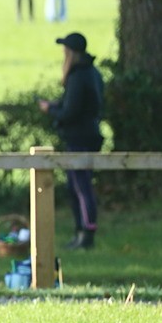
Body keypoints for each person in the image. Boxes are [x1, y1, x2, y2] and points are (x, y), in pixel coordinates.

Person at [39, 32, 104, 250]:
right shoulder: (92, 73)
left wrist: (51, 110)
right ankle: (82, 231)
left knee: (81, 187)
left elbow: (71, 112)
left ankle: (86, 232)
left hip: (79, 137)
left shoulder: (78, 76)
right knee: (77, 186)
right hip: (89, 134)